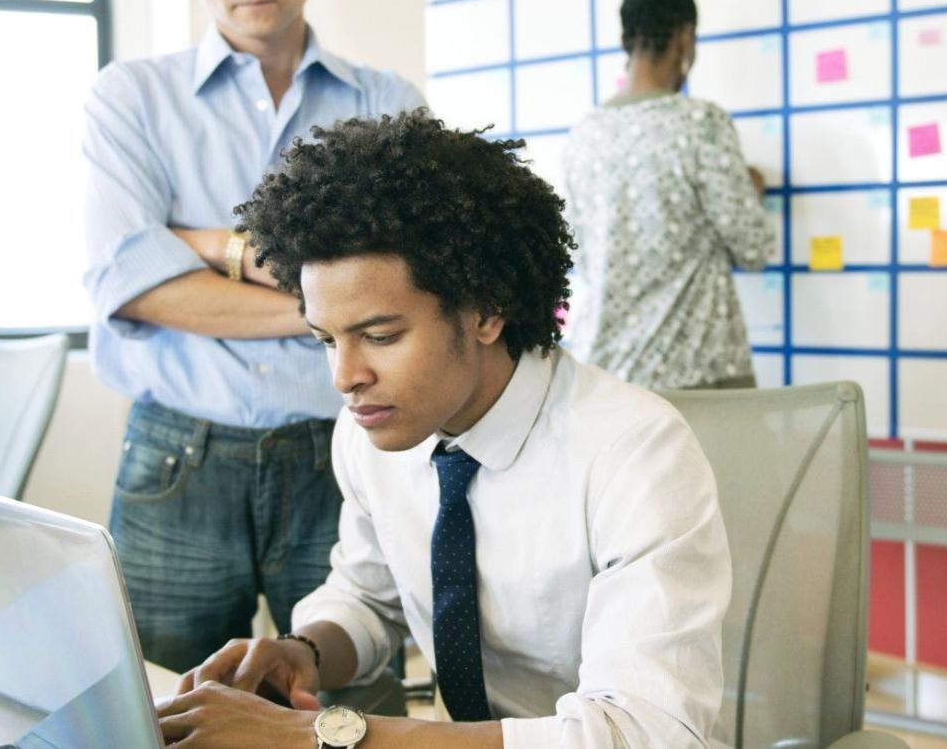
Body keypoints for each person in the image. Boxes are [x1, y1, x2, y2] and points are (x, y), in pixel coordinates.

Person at [154, 110, 732, 748]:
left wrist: (317, 736)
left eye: (380, 336)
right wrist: (305, 650)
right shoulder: (370, 432)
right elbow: (370, 597)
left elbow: (642, 733)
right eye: (326, 340)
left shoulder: (635, 453)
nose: (346, 377)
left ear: (485, 312)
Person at [80, 0, 425, 673]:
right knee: (161, 704)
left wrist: (191, 243)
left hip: (345, 451)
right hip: (178, 458)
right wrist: (331, 307)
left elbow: (406, 278)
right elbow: (133, 287)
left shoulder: (385, 101)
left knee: (349, 704)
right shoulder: (131, 97)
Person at [562, 0, 775, 391]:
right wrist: (750, 188)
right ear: (685, 37)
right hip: (697, 380)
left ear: (626, 39)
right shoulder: (700, 124)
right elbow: (755, 247)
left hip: (603, 379)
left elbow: (584, 257)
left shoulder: (584, 135)